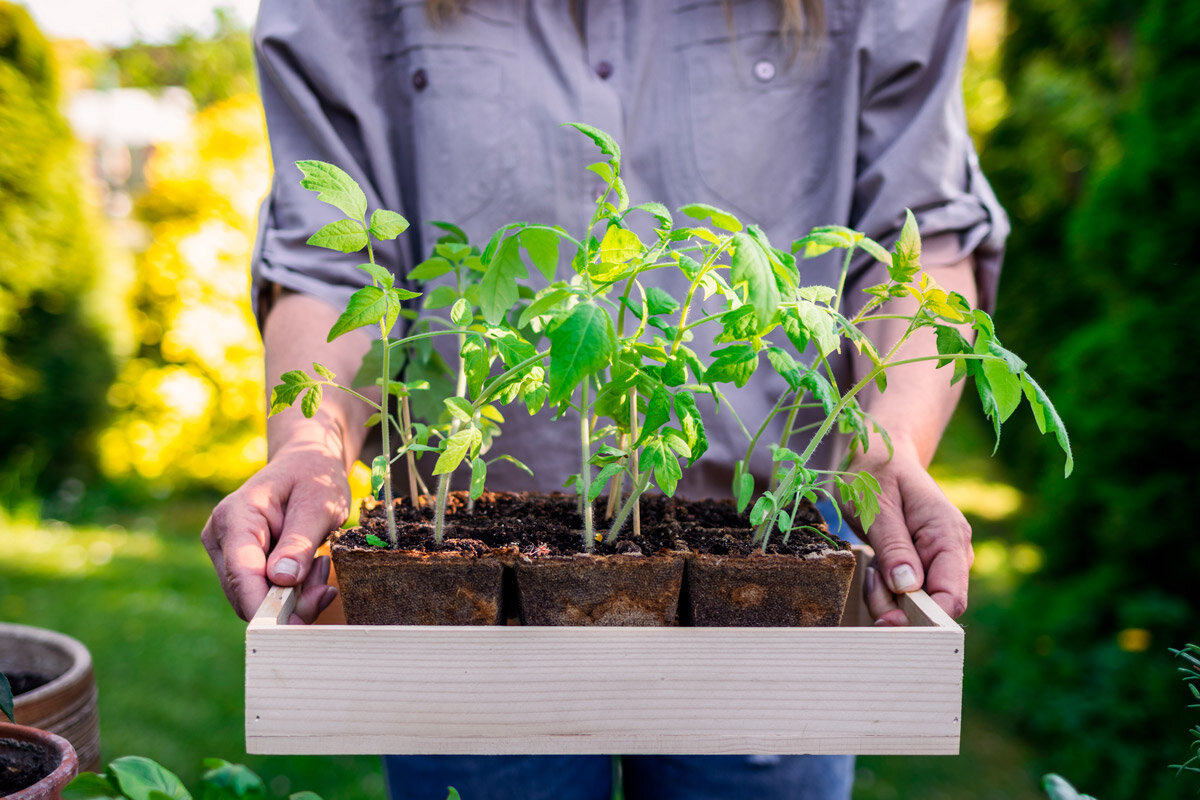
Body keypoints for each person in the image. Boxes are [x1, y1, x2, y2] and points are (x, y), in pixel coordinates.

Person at [202, 1, 1007, 797]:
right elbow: (327, 259)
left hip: (770, 545)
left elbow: (921, 236)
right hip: (461, 586)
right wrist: (314, 444)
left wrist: (890, 440)